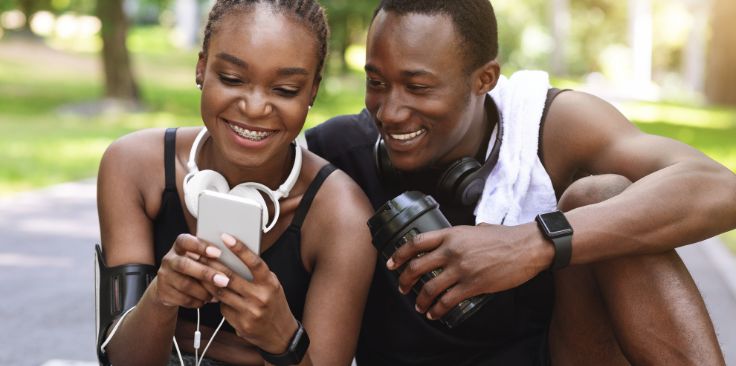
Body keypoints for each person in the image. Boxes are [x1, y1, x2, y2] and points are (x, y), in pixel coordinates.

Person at [306, 0, 736, 365]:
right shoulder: (340, 153)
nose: (390, 112)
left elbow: (719, 187)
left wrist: (532, 244)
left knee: (598, 196)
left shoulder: (554, 127)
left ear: (484, 80)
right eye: (377, 82)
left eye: (418, 87)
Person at [95, 1, 375, 365]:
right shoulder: (133, 166)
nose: (255, 107)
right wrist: (161, 297)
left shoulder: (343, 216)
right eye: (231, 79)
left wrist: (283, 338)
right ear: (201, 68)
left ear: (312, 92)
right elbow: (122, 359)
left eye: (286, 89)